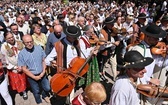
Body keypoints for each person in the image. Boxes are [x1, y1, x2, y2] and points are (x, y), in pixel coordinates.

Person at [129, 24, 167, 104]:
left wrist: (166, 56)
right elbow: (134, 70)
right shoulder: (138, 49)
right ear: (147, 36)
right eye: (155, 38)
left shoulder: (150, 49)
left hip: (146, 82)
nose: (157, 41)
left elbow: (160, 64)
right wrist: (149, 79)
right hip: (139, 84)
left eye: (158, 38)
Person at [45, 26, 81, 105]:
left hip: (74, 72)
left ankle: (69, 101)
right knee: (63, 91)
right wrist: (52, 63)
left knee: (72, 88)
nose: (75, 38)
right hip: (64, 73)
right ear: (68, 36)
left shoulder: (76, 42)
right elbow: (47, 60)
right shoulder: (59, 45)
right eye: (73, 37)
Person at [17, 35, 50, 105]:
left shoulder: (39, 48)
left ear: (33, 41)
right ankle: (39, 101)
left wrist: (43, 71)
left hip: (42, 73)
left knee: (47, 88)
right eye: (27, 42)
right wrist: (34, 77)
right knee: (36, 90)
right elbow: (24, 69)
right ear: (23, 43)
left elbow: (44, 60)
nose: (29, 44)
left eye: (31, 41)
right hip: (32, 76)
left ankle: (44, 95)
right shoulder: (21, 54)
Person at [1, 31, 28, 100]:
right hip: (13, 67)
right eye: (9, 38)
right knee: (18, 81)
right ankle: (22, 91)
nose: (11, 39)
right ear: (5, 39)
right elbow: (4, 60)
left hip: (22, 65)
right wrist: (14, 67)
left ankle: (25, 90)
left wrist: (23, 65)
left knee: (24, 79)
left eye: (12, 37)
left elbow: (25, 53)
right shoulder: (3, 47)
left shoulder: (19, 42)